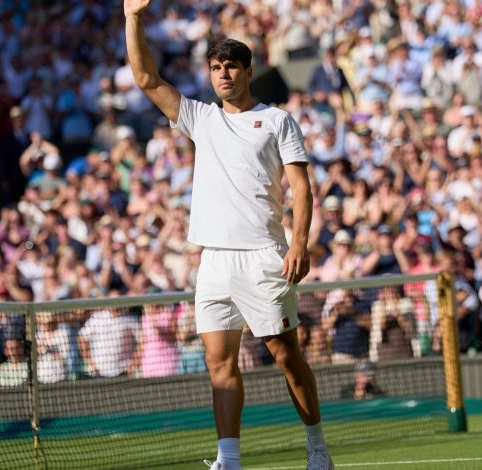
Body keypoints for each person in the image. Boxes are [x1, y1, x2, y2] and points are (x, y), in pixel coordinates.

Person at [124, 2, 332, 468]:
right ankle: (229, 460)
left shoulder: (277, 120)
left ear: (247, 71)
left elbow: (300, 186)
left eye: (230, 66)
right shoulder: (200, 118)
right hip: (213, 262)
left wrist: (299, 242)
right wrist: (132, 18)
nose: (222, 74)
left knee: (286, 357)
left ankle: (317, 445)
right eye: (215, 67)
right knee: (219, 366)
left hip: (263, 256)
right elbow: (146, 79)